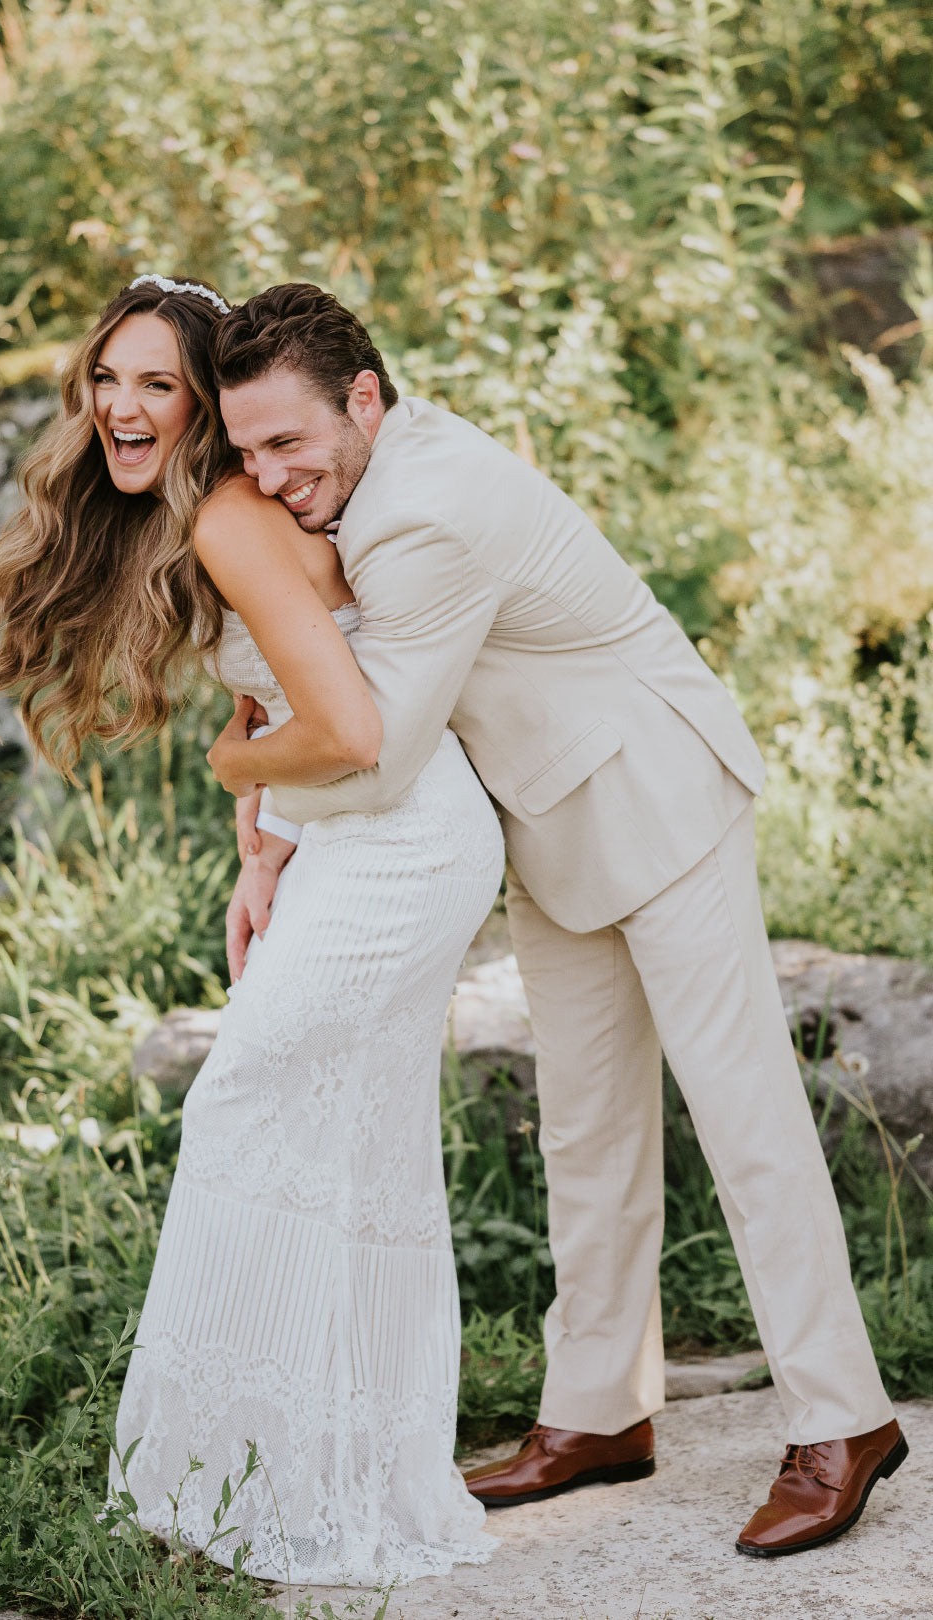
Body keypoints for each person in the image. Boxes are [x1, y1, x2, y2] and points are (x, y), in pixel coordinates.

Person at [205, 282, 907, 1559]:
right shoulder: (366, 481)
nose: (269, 476)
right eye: (245, 452)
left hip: (659, 793)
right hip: (554, 816)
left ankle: (842, 1422)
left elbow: (379, 754)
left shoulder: (424, 514)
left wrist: (232, 767)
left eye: (289, 444)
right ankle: (598, 1414)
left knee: (742, 1115)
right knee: (583, 1130)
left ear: (367, 399)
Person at [0, 274, 502, 1586]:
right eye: (108, 380)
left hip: (405, 839)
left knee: (242, 1105)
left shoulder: (238, 520)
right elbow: (286, 684)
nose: (123, 407)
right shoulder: (196, 519)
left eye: (158, 385)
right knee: (352, 1144)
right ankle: (332, 1477)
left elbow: (351, 728)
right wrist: (263, 858)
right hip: (352, 837)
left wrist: (229, 782)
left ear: (205, 409)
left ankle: (220, 1491)